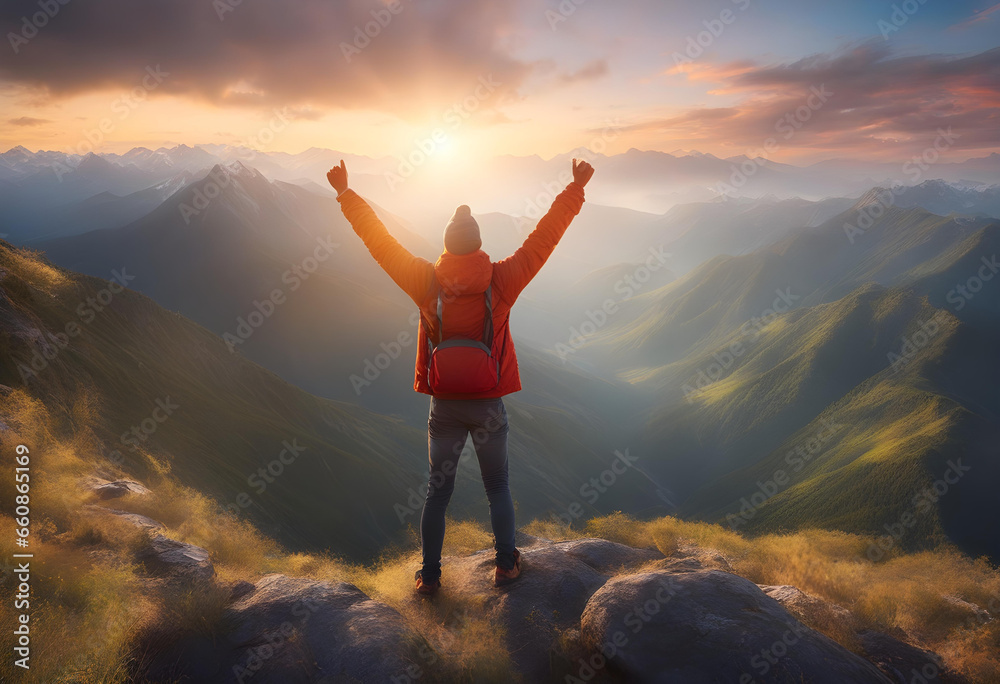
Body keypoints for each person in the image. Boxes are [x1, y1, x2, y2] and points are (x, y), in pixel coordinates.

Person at [327, 158, 595, 595]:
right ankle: (506, 565)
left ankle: (429, 577)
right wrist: (575, 188)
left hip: (445, 406)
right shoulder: (503, 280)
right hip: (488, 402)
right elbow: (546, 237)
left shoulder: (424, 281)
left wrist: (345, 194)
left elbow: (378, 241)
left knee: (437, 492)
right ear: (479, 246)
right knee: (498, 486)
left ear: (448, 247)